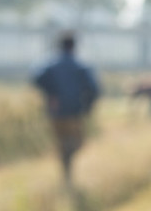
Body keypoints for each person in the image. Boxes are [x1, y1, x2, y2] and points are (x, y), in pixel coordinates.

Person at [32, 30, 101, 185]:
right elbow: (94, 89)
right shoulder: (80, 66)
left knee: (62, 142)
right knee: (76, 143)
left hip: (55, 112)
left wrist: (51, 94)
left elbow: (36, 79)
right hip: (74, 112)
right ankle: (67, 169)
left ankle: (66, 170)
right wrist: (87, 107)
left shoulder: (49, 65)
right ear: (74, 46)